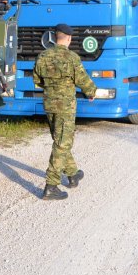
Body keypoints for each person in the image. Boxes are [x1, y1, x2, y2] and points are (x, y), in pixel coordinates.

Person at [33, 23, 97, 201]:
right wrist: (91, 92)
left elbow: (37, 80)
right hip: (65, 107)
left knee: (60, 139)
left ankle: (73, 174)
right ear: (68, 38)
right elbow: (82, 79)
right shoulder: (72, 57)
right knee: (62, 143)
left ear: (54, 37)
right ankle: (51, 185)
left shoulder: (43, 56)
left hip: (49, 104)